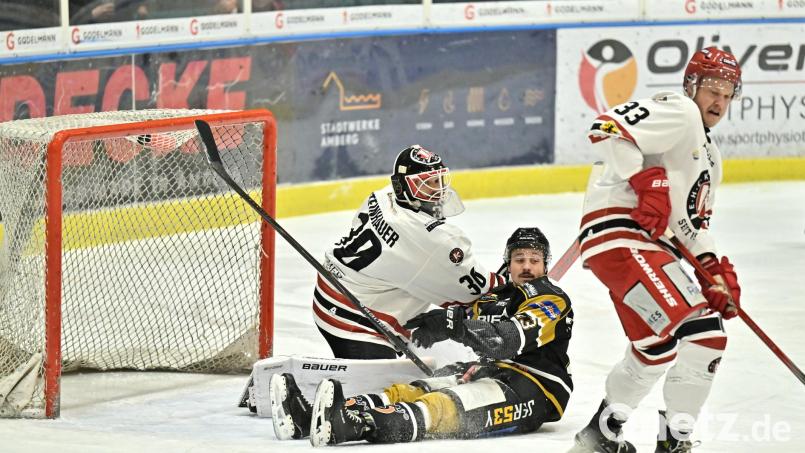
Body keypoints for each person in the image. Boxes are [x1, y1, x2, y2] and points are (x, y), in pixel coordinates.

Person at [570, 47, 743, 453]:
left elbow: (690, 225)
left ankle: (599, 436)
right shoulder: (681, 111)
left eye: (727, 94)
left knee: (655, 349)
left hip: (640, 248)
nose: (719, 101)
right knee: (705, 334)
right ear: (691, 86)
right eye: (712, 89)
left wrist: (712, 269)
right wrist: (645, 178)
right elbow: (606, 128)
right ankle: (674, 444)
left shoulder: (711, 159)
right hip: (624, 235)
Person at [271, 227, 574, 444]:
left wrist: (453, 324)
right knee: (411, 390)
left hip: (538, 388)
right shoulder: (494, 298)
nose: (527, 266)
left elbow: (505, 341)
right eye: (519, 259)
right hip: (491, 371)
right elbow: (466, 321)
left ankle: (351, 427)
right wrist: (438, 322)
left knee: (443, 403)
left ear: (545, 265)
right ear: (508, 263)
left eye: (534, 259)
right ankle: (313, 418)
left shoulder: (550, 298)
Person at [312, 145, 503, 359]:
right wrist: (513, 283)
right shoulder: (432, 239)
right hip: (356, 321)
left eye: (438, 180)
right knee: (385, 383)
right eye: (426, 183)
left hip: (332, 286)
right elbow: (478, 293)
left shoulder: (382, 196)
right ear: (402, 186)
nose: (438, 190)